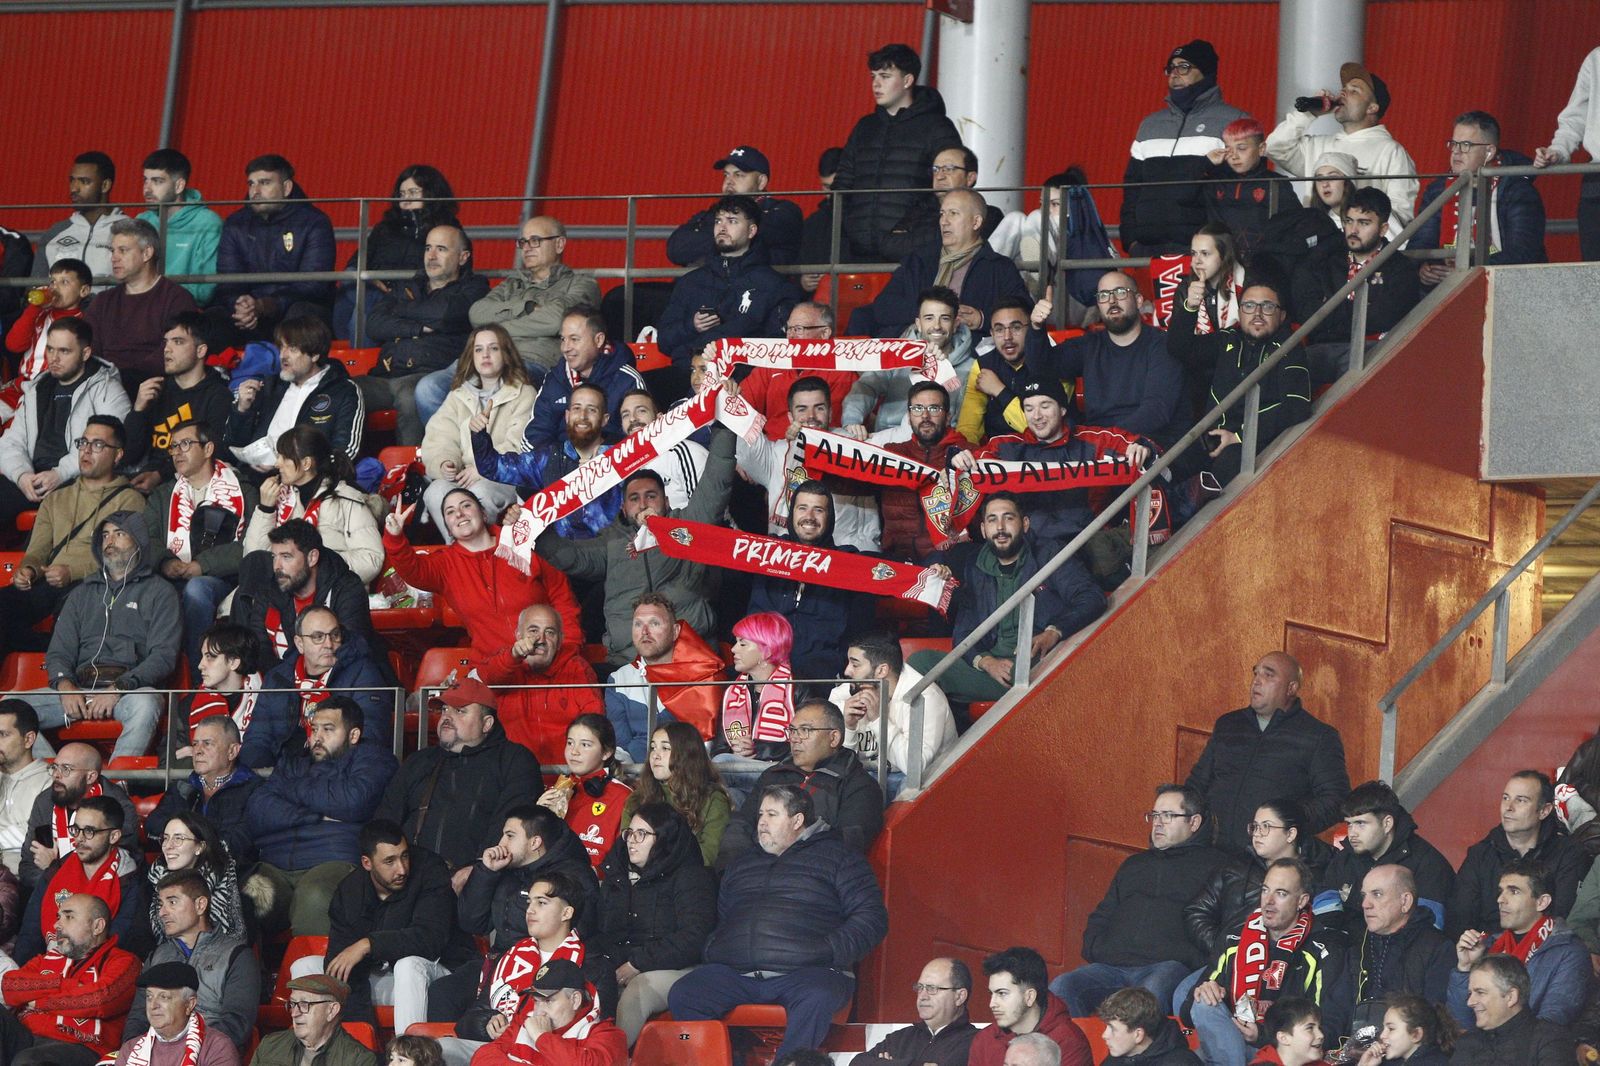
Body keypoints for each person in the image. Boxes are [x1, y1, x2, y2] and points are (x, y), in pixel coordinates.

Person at [668, 784, 889, 1060]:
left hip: (808, 972)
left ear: (797, 820)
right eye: (761, 814)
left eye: (772, 814)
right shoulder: (742, 863)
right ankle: (723, 1059)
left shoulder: (840, 859)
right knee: (685, 994)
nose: (762, 822)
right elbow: (723, 916)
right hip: (737, 974)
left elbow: (872, 918)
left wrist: (828, 950)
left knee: (816, 997)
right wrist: (716, 947)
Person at [536, 426, 738, 662]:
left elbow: (717, 484)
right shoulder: (611, 542)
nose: (643, 504)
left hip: (690, 660)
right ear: (623, 508)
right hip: (627, 664)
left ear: (667, 501)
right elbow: (567, 556)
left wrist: (724, 426)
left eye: (651, 496)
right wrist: (532, 528)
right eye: (634, 498)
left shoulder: (688, 526)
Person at [906, 492, 1104, 704]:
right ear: (983, 529)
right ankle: (945, 736)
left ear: (1025, 524)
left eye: (1008, 518)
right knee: (920, 662)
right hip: (996, 669)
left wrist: (1054, 631)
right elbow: (964, 631)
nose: (1000, 527)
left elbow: (1092, 597)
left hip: (1038, 663)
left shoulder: (1049, 553)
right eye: (992, 520)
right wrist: (987, 662)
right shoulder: (975, 565)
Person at [1051, 784, 1228, 1016]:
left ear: (1193, 823)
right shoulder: (1134, 865)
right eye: (1154, 815)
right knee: (1062, 988)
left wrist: (1190, 959)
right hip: (1112, 966)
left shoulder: (1218, 867)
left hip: (1167, 967)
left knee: (1148, 996)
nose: (1158, 822)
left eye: (1168, 815)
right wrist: (1099, 948)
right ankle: (1074, 1053)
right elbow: (1102, 915)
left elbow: (1224, 930)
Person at [13, 511, 177, 762]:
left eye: (119, 534)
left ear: (139, 542)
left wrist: (118, 688)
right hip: (79, 687)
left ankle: (112, 787)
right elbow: (59, 652)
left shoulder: (160, 592)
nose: (110, 541)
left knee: (147, 703)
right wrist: (66, 686)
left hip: (128, 690)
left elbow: (163, 657)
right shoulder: (82, 593)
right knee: (9, 708)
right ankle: (51, 779)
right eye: (105, 535)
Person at [243, 697, 399, 937]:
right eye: (314, 729)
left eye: (328, 729)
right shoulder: (294, 764)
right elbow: (257, 809)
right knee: (244, 894)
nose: (317, 737)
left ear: (353, 735)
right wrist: (315, 816)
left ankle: (313, 975)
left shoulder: (374, 759)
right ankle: (247, 971)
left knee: (315, 896)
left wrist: (291, 790)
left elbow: (353, 801)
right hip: (275, 864)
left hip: (332, 861)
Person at [949, 379, 1153, 549]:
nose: (1036, 416)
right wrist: (957, 457)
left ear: (1063, 408)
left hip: (1087, 543)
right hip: (1029, 549)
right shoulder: (1006, 446)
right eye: (1029, 408)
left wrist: (1141, 447)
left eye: (1045, 406)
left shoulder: (1091, 439)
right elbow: (971, 460)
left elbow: (1136, 444)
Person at [438, 807, 598, 1023]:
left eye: (510, 836)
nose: (501, 843)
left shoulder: (572, 876)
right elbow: (472, 923)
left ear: (535, 842)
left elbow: (582, 931)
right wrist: (486, 872)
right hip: (499, 961)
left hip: (544, 965)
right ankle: (435, 1054)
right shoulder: (506, 869)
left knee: (490, 1013)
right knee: (444, 991)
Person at [1184, 652, 1350, 860]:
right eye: (1256, 673)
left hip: (1268, 865)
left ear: (1291, 688)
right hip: (1208, 853)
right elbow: (1197, 783)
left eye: (1269, 675)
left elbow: (1335, 799)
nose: (1257, 681)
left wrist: (1285, 823)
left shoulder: (1319, 736)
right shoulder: (1229, 724)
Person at [0, 414, 143, 651]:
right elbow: (37, 551)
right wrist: (28, 569)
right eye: (83, 443)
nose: (86, 451)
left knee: (74, 611)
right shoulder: (56, 498)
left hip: (95, 584)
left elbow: (122, 559)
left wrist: (71, 571)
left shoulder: (130, 500)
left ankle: (61, 657)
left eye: (97, 445)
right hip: (48, 582)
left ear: (118, 454)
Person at [376, 676, 545, 876]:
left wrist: (478, 871)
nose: (447, 716)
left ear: (487, 723)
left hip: (484, 880)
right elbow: (386, 820)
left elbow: (513, 828)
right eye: (444, 709)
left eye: (460, 710)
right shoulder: (419, 761)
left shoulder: (515, 761)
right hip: (410, 879)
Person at [384, 488, 579, 657]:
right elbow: (413, 570)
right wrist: (395, 538)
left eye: (466, 505)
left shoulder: (521, 542)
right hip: (494, 668)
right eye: (450, 512)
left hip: (547, 656)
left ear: (484, 514)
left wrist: (568, 647)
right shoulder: (445, 564)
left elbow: (562, 598)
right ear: (449, 529)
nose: (459, 514)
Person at [1183, 859, 1340, 1066]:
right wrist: (1205, 990)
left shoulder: (1322, 948)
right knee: (1203, 1005)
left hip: (1282, 1052)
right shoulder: (1235, 938)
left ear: (1301, 901)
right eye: (1265, 890)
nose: (1268, 901)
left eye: (1281, 894)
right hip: (1231, 1041)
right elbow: (1187, 1012)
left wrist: (1262, 1036)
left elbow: (1328, 1027)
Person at [324, 820, 476, 1035]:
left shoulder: (429, 869)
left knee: (408, 965)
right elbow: (342, 966)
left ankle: (409, 1055)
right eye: (389, 861)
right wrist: (366, 1040)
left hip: (439, 976)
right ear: (367, 863)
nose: (402, 869)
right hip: (383, 977)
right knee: (308, 967)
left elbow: (430, 940)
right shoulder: (349, 892)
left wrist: (368, 944)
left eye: (404, 856)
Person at [590, 803, 716, 1045]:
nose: (631, 841)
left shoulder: (690, 877)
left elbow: (694, 937)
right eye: (630, 833)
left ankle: (612, 1057)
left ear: (664, 839)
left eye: (642, 834)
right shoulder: (617, 875)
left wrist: (638, 963)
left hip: (678, 968)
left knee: (639, 989)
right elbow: (601, 932)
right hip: (619, 964)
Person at [359, 223, 489, 445]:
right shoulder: (408, 286)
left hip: (428, 376)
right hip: (383, 376)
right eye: (428, 248)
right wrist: (418, 328)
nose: (432, 255)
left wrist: (399, 310)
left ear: (463, 257)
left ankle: (414, 472)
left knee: (412, 397)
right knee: (341, 389)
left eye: (441, 249)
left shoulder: (475, 287)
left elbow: (445, 314)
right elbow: (373, 324)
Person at [1024, 274, 1188, 448]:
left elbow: (1156, 411)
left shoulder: (1162, 345)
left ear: (1139, 300)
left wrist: (1106, 440)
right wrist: (1036, 327)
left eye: (1120, 292)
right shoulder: (1090, 344)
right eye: (1103, 295)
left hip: (1149, 442)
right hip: (1101, 446)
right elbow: (1041, 368)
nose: (1112, 300)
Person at [0, 319, 130, 538]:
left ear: (85, 353)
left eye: (64, 351)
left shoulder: (107, 389)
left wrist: (59, 474)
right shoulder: (38, 388)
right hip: (32, 477)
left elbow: (107, 446)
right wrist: (22, 475)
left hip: (77, 479)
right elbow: (11, 442)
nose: (54, 358)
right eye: (50, 349)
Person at [832, 43, 961, 263]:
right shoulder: (865, 127)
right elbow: (842, 184)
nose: (876, 84)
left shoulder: (936, 127)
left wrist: (913, 230)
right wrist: (848, 229)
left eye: (885, 76)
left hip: (914, 252)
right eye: (873, 76)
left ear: (908, 80)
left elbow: (951, 184)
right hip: (858, 251)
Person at [1176, 280, 1312, 486]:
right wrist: (1190, 308)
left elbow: (1296, 406)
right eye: (1249, 306)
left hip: (1252, 443)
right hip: (1212, 437)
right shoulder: (1228, 339)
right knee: (1170, 462)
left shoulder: (1289, 347)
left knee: (1224, 470)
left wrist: (1238, 436)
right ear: (1240, 313)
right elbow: (1180, 349)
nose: (1257, 313)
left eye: (1267, 306)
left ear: (1282, 315)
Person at [142, 420, 255, 668]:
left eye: (185, 444)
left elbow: (252, 545)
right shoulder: (163, 495)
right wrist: (166, 562)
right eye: (173, 447)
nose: (177, 452)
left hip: (225, 579)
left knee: (196, 589)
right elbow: (146, 538)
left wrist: (201, 565)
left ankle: (198, 674)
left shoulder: (243, 490)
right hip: (169, 576)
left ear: (208, 449)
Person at [717, 699, 885, 864]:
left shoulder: (859, 786)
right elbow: (742, 825)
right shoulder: (774, 775)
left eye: (805, 730)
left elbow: (847, 844)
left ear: (833, 738)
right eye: (792, 730)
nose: (795, 739)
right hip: (754, 872)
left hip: (811, 879)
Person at [1121, 40, 1248, 256]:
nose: (1174, 74)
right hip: (1147, 249)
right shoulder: (1149, 124)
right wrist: (1130, 240)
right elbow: (1132, 188)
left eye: (1184, 67)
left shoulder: (1234, 120)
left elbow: (1241, 191)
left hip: (1202, 252)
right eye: (1170, 68)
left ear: (1206, 72)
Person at [847, 189, 1029, 338]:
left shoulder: (998, 267)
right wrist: (931, 314)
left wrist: (982, 318)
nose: (944, 221)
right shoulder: (919, 261)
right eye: (942, 213)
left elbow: (1023, 312)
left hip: (966, 351)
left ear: (976, 222)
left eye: (953, 214)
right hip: (914, 346)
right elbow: (884, 306)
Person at [1265, 63, 1417, 239]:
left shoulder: (1391, 151)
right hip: (1318, 248)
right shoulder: (1318, 145)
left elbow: (1400, 214)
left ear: (1372, 108)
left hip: (1366, 255)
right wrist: (1308, 114)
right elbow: (1275, 146)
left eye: (1354, 91)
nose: (1343, 93)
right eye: (1343, 89)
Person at [745, 481, 875, 680]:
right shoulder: (765, 552)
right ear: (792, 513)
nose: (809, 517)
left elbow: (891, 567)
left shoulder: (849, 563)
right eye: (802, 508)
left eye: (818, 510)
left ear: (829, 517)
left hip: (821, 677)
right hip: (764, 668)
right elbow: (720, 547)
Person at [734, 378, 881, 552]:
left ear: (831, 413)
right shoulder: (777, 453)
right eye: (802, 409)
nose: (811, 416)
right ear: (790, 417)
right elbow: (744, 439)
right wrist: (731, 396)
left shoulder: (855, 446)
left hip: (847, 558)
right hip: (788, 559)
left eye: (819, 408)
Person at [451, 870, 588, 1056]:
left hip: (554, 1055)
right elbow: (467, 1022)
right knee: (441, 1048)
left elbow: (595, 1029)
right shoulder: (509, 956)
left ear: (566, 912)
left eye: (541, 903)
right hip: (498, 1049)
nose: (530, 910)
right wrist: (487, 1022)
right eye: (529, 902)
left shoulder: (590, 964)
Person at [1292, 189, 1421, 384]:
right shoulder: (1325, 261)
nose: (1353, 230)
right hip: (1323, 347)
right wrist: (1359, 310)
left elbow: (1383, 318)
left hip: (1372, 348)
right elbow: (1308, 313)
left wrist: (1332, 310)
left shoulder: (1400, 268)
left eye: (1364, 223)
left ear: (1384, 229)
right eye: (1348, 221)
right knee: (1291, 368)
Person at [416, 326, 536, 534]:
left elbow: (520, 444)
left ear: (506, 354)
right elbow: (440, 437)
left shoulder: (524, 393)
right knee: (436, 491)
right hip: (464, 476)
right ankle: (458, 553)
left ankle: (487, 553)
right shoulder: (458, 395)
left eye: (494, 348)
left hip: (503, 478)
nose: (485, 355)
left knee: (479, 492)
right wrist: (445, 462)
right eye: (478, 350)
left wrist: (482, 468)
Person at [241, 605, 391, 769]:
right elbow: (257, 738)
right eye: (318, 637)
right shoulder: (277, 678)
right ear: (300, 644)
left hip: (338, 773)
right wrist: (265, 774)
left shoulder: (363, 673)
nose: (329, 644)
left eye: (335, 635)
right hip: (281, 773)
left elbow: (370, 736)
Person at [1186, 799, 1335, 963]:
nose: (1257, 833)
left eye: (1266, 827)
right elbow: (1197, 912)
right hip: (1227, 962)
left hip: (1291, 965)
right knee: (1187, 989)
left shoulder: (1317, 873)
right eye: (1255, 826)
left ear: (1290, 834)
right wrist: (1227, 950)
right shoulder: (1235, 866)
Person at [655, 195, 794, 370]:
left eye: (732, 221)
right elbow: (663, 341)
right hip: (688, 375)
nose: (722, 227)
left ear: (751, 231)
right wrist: (692, 326)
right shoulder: (690, 282)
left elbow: (777, 349)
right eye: (718, 221)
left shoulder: (774, 286)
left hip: (741, 378)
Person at [209, 154, 335, 346]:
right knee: (210, 319)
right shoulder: (235, 224)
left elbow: (313, 285)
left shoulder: (315, 223)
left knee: (301, 316)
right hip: (250, 311)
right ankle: (217, 374)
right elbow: (227, 280)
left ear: (287, 188)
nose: (255, 191)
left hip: (292, 308)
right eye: (251, 184)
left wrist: (267, 305)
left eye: (265, 183)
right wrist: (242, 306)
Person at [1446, 859, 1590, 1027]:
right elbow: (1459, 1024)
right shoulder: (1487, 946)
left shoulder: (1569, 953)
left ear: (1542, 902)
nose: (1500, 899)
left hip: (1529, 1050)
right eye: (1500, 892)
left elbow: (1551, 1024)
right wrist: (1465, 968)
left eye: (1514, 892)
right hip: (1484, 1047)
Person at [0, 893, 139, 1066]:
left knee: (28, 1060)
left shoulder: (123, 961)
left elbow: (100, 1000)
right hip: (27, 1035)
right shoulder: (47, 958)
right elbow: (9, 985)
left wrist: (39, 1002)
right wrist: (63, 984)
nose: (57, 924)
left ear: (97, 926)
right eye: (59, 917)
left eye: (69, 917)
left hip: (81, 1047)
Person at [1313, 782, 1454, 948]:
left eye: (1361, 823)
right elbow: (1324, 909)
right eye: (1349, 824)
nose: (1352, 833)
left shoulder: (1428, 864)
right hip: (1348, 954)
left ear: (1387, 823)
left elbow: (1429, 929)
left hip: (1402, 959)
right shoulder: (1344, 858)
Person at [1449, 770, 1589, 937]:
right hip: (1488, 954)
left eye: (1521, 800)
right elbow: (1459, 921)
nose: (1508, 808)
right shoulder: (1479, 855)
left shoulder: (1569, 854)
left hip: (1546, 953)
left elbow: (1563, 920)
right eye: (1505, 798)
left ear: (1544, 811)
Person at [125, 874, 256, 1051]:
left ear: (200, 905)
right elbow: (138, 1019)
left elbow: (236, 1025)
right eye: (161, 905)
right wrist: (135, 1052)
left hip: (209, 1056)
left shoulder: (236, 956)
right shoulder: (156, 956)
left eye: (172, 902)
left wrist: (182, 1050)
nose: (162, 912)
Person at [472, 383, 621, 539]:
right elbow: (493, 467)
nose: (582, 416)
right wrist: (478, 434)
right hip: (564, 556)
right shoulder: (549, 458)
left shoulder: (622, 454)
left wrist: (601, 475)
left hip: (611, 552)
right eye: (577, 408)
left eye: (592, 410)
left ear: (605, 419)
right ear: (567, 416)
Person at [1413, 111, 1547, 284]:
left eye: (1466, 145)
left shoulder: (1518, 190)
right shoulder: (1438, 189)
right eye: (1453, 144)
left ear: (1489, 152)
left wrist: (1469, 272)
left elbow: (1523, 251)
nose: (1456, 152)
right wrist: (1426, 267)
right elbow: (1420, 243)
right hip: (1444, 286)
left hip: (1506, 286)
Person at [15, 793, 147, 965]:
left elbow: (123, 942)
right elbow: (30, 935)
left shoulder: (132, 880)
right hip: (47, 969)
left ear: (114, 836)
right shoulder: (56, 872)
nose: (79, 838)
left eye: (89, 831)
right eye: (76, 829)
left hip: (100, 973)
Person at [462, 215, 600, 378]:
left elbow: (557, 320)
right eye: (523, 242)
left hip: (533, 362)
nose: (526, 248)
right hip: (485, 360)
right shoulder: (510, 284)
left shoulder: (582, 284)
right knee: (430, 387)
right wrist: (525, 307)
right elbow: (476, 313)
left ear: (559, 244)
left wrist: (497, 329)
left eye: (535, 240)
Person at [224, 313, 364, 472]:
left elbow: (344, 452)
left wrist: (294, 469)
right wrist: (242, 410)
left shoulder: (343, 390)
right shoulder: (269, 386)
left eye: (292, 349)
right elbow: (234, 444)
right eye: (281, 347)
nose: (283, 355)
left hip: (309, 480)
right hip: (256, 477)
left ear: (315, 354)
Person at [1326, 865, 1452, 1041]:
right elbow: (1336, 1010)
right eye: (1364, 896)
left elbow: (1435, 1021)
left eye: (1377, 894)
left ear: (1405, 902)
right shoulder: (1359, 947)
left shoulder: (1437, 948)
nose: (1365, 904)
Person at [244, 424, 383, 584]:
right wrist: (266, 509)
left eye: (284, 457)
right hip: (280, 591)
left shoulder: (346, 499)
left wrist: (314, 568)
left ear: (306, 463)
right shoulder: (279, 496)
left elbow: (371, 559)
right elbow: (252, 560)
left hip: (329, 593)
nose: (277, 464)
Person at [336, 164, 458, 342]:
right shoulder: (386, 228)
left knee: (362, 311)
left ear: (431, 193)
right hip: (375, 291)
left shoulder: (447, 229)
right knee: (352, 279)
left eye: (413, 193)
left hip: (412, 295)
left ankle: (357, 361)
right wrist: (371, 279)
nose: (406, 200)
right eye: (401, 195)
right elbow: (356, 262)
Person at [230, 518, 375, 666]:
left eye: (286, 557)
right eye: (274, 557)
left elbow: (351, 651)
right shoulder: (268, 591)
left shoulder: (347, 588)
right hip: (286, 683)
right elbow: (260, 652)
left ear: (312, 558)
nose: (277, 566)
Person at [477, 603, 603, 766]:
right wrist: (513, 655)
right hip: (513, 774)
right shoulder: (505, 666)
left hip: (566, 775)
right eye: (533, 631)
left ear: (560, 641)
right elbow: (488, 677)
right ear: (518, 635)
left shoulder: (577, 669)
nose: (540, 640)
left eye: (550, 632)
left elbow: (594, 726)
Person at [842, 286, 974, 438]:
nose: (937, 326)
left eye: (944, 318)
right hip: (889, 440)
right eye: (929, 318)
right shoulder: (897, 355)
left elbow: (967, 424)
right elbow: (866, 386)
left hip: (938, 447)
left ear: (956, 323)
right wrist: (852, 421)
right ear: (918, 323)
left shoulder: (971, 368)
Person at [602, 596, 725, 758]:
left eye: (654, 623)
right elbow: (621, 747)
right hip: (636, 776)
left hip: (692, 771)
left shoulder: (704, 674)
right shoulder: (619, 679)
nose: (645, 631)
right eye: (638, 624)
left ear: (675, 632)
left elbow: (708, 744)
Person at [83, 219, 199, 389]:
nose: (114, 258)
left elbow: (173, 352)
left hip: (156, 387)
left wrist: (122, 379)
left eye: (123, 250)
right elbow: (89, 349)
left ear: (147, 253)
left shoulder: (176, 298)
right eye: (113, 251)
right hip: (104, 388)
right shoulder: (102, 301)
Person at [122, 313, 234, 487]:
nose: (167, 349)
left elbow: (209, 454)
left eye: (178, 342)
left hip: (191, 483)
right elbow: (129, 454)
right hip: (146, 478)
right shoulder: (155, 390)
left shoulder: (218, 396)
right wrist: (138, 410)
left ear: (201, 350)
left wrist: (159, 475)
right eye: (166, 341)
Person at [830, 630, 957, 779]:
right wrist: (848, 727)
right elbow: (838, 766)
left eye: (855, 664)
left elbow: (914, 767)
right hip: (865, 776)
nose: (847, 671)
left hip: (922, 780)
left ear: (881, 670)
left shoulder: (924, 698)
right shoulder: (844, 694)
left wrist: (878, 720)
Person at [18, 741, 140, 893]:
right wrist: (56, 882)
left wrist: (54, 869)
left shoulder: (117, 806)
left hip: (102, 897)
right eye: (54, 767)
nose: (56, 774)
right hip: (49, 894)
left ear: (90, 777)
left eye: (66, 769)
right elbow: (27, 866)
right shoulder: (45, 802)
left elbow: (115, 868)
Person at [873, 381, 974, 563]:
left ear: (948, 416)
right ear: (909, 416)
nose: (925, 416)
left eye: (934, 408)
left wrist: (960, 476)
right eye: (918, 408)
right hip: (897, 560)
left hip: (948, 561)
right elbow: (849, 480)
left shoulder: (967, 455)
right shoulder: (892, 454)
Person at [522, 308, 644, 449]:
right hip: (559, 466)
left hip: (610, 466)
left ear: (598, 340)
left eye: (574, 339)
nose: (565, 348)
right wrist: (558, 464)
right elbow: (535, 436)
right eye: (563, 339)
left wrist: (595, 463)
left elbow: (639, 439)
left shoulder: (628, 380)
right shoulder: (554, 379)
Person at [469, 956, 627, 1066]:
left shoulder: (608, 1035)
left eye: (548, 1001)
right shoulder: (524, 1022)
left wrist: (542, 1038)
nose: (540, 1011)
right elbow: (483, 1057)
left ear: (575, 1000)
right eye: (536, 1001)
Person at [667, 145, 804, 268]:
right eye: (726, 175)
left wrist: (711, 246)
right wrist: (730, 242)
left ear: (761, 182)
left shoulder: (783, 211)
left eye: (739, 175)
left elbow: (761, 242)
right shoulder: (713, 211)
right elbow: (675, 249)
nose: (729, 182)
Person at [735, 303, 856, 440]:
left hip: (816, 449)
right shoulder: (773, 363)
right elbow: (742, 406)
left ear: (824, 333)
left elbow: (830, 426)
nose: (790, 336)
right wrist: (730, 387)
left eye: (798, 329)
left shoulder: (842, 373)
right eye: (788, 328)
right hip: (769, 449)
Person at [622, 722, 732, 866]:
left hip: (687, 882)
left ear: (687, 754)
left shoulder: (713, 799)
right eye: (653, 748)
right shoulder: (637, 798)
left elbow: (707, 856)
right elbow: (624, 850)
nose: (655, 755)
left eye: (665, 748)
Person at [880, 144, 1008, 262]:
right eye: (936, 169)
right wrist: (946, 236)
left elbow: (964, 249)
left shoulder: (990, 214)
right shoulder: (919, 210)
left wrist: (915, 238)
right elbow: (889, 247)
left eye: (949, 168)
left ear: (970, 178)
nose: (939, 176)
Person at [537, 715, 632, 872]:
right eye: (570, 743)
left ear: (606, 752)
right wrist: (538, 817)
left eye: (585, 745)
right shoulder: (556, 792)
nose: (574, 751)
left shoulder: (622, 796)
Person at [968, 946, 1091, 1066]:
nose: (992, 1004)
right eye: (992, 994)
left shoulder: (1069, 1043)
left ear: (1029, 997)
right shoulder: (985, 1039)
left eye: (1002, 993)